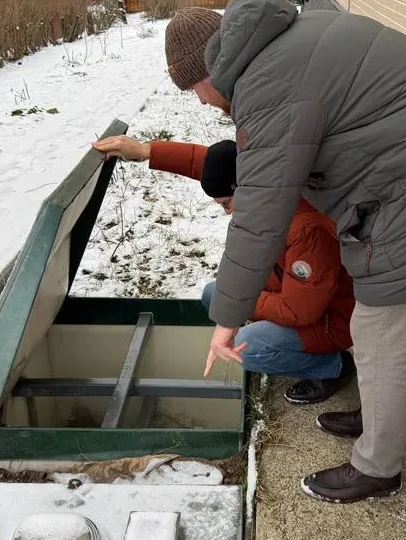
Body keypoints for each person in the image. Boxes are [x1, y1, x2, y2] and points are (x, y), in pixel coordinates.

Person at [161, 0, 406, 504]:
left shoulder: (270, 85)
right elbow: (240, 169)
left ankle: (378, 468)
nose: (203, 103)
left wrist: (228, 317)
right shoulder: (284, 44)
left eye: (193, 91)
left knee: (381, 334)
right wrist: (147, 152)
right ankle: (377, 414)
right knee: (371, 327)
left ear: (207, 71)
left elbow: (258, 214)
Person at [92, 135, 357, 404]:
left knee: (250, 349)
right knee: (214, 295)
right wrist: (146, 151)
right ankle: (275, 337)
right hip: (290, 289)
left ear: (245, 190)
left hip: (331, 318)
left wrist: (241, 304)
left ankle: (333, 367)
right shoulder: (266, 181)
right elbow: (214, 163)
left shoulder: (306, 229)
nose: (228, 213)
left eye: (226, 204)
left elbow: (298, 311)